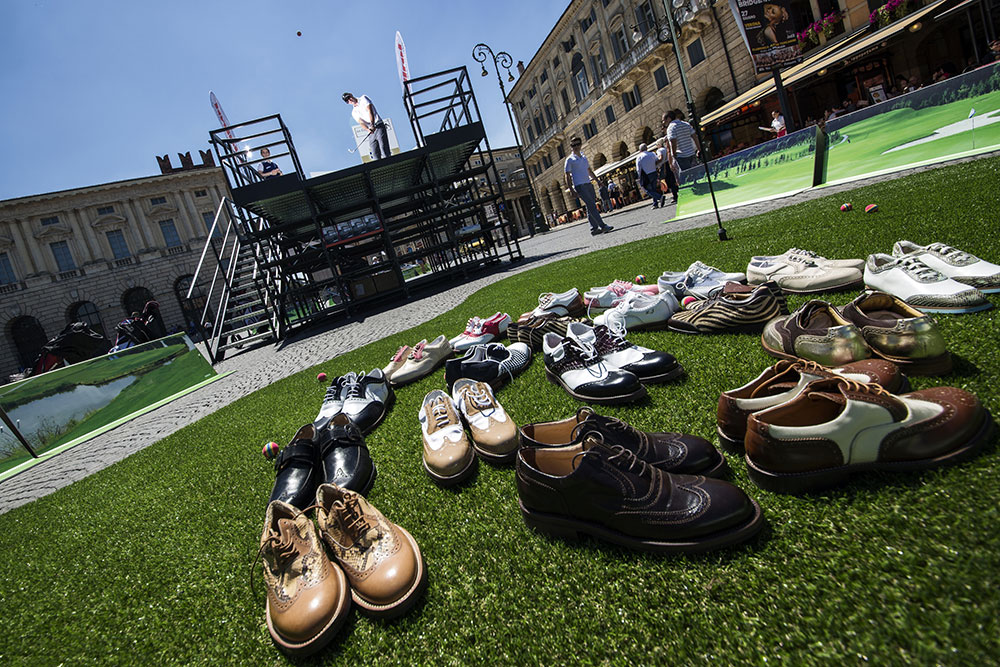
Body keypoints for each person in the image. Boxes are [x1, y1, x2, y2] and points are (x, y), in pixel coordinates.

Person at [564, 137, 613, 236]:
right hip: (580, 185)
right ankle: (602, 226)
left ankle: (594, 229)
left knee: (590, 206)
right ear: (571, 147)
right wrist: (571, 190)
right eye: (573, 145)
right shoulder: (569, 159)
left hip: (588, 184)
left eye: (577, 144)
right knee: (592, 206)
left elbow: (589, 171)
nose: (576, 147)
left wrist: (597, 181)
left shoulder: (583, 157)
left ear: (581, 144)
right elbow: (567, 176)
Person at [343, 92, 391, 160]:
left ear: (351, 94)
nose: (350, 100)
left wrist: (372, 124)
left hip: (378, 125)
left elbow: (369, 110)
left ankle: (389, 162)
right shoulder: (354, 112)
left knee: (384, 148)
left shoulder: (363, 98)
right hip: (371, 131)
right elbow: (361, 122)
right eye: (347, 100)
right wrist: (367, 129)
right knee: (375, 153)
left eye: (349, 97)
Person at [635, 143, 663, 209]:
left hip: (646, 175)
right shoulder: (652, 154)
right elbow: (657, 161)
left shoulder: (639, 157)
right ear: (647, 148)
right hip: (654, 172)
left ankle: (659, 197)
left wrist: (639, 176)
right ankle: (655, 204)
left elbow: (638, 168)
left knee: (647, 190)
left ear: (640, 150)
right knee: (654, 189)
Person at [654, 138, 679, 204]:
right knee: (673, 180)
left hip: (664, 166)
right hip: (669, 163)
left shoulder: (659, 150)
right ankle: (676, 194)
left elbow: (661, 157)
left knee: (668, 181)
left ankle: (675, 196)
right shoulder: (665, 149)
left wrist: (656, 163)